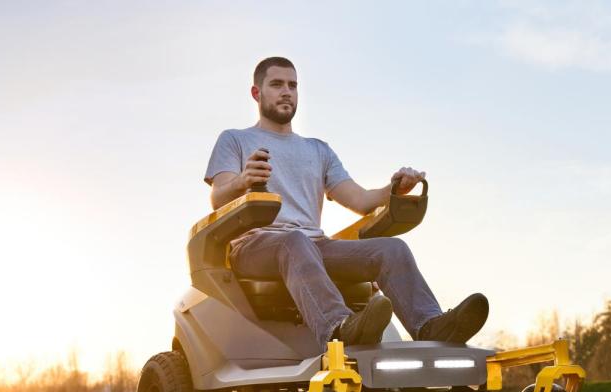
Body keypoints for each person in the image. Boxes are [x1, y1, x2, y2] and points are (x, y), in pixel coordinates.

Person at [204, 56, 488, 351]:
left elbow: (362, 200)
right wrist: (242, 181)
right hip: (255, 247)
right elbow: (218, 198)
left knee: (391, 249)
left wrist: (394, 189)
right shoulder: (235, 140)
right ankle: (339, 328)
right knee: (295, 241)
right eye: (276, 84)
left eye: (292, 85)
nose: (286, 91)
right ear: (256, 93)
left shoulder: (318, 150)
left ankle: (430, 325)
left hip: (312, 246)